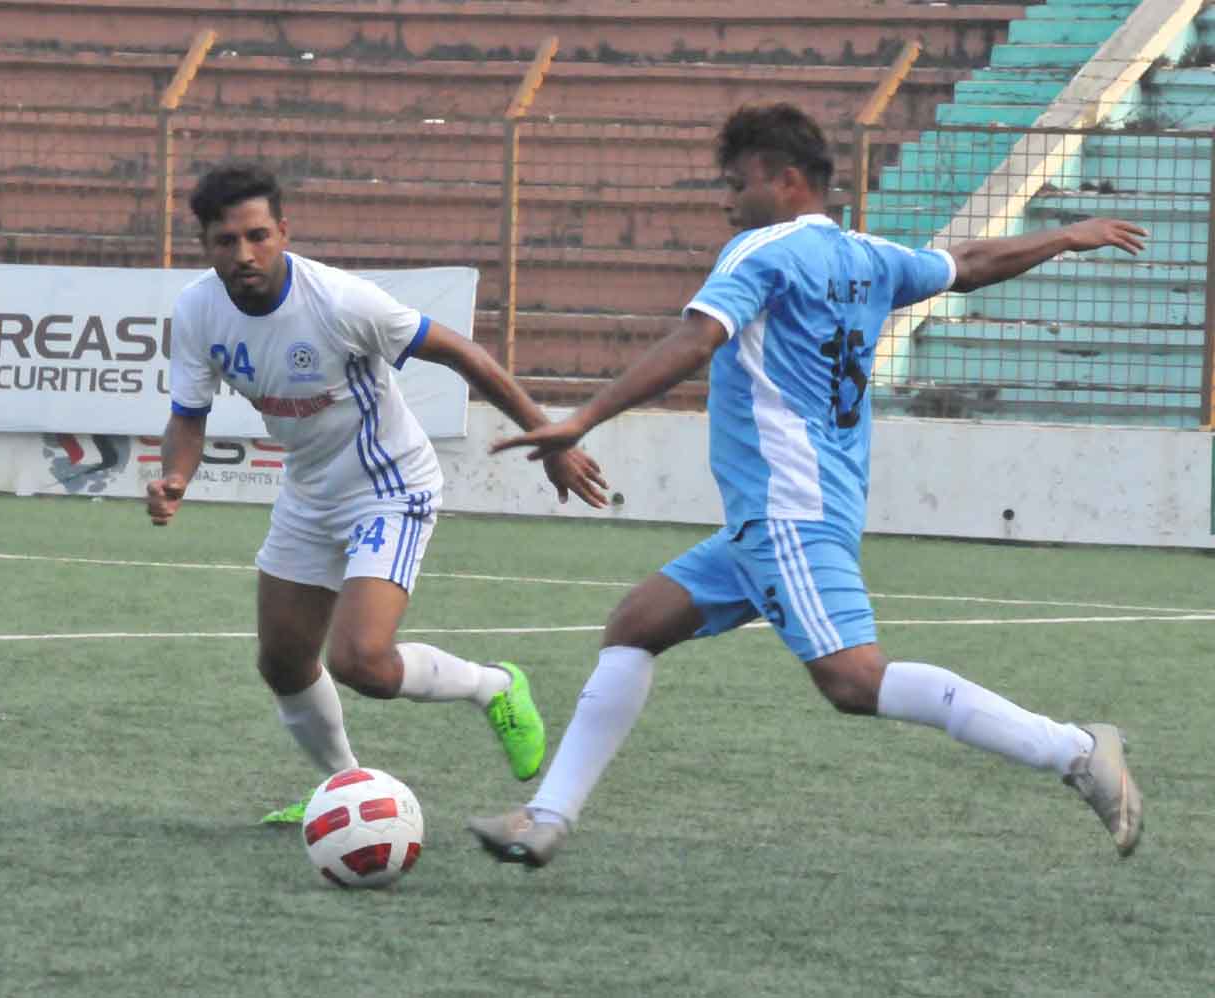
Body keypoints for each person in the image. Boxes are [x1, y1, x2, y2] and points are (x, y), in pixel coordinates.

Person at [467, 103, 1147, 866]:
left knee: (854, 681)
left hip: (787, 510)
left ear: (784, 179)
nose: (727, 201)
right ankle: (548, 816)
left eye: (737, 182)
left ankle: (1077, 751)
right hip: (786, 515)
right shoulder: (867, 255)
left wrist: (582, 417)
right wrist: (1064, 235)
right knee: (635, 626)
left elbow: (698, 338)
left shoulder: (760, 250)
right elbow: (970, 265)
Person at [147, 163, 608, 823]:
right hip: (309, 493)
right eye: (227, 241)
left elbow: (460, 353)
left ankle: (495, 687)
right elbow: (188, 416)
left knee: (361, 659)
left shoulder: (341, 303)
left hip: (389, 485)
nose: (244, 254)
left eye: (257, 236)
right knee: (282, 662)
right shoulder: (197, 309)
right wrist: (177, 478)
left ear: (283, 231)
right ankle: (346, 789)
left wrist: (551, 440)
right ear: (206, 245)